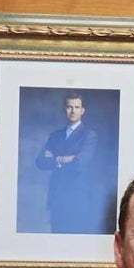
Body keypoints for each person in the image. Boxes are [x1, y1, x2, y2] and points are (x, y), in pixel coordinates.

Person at [36, 91, 105, 233]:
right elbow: (40, 162)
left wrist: (55, 160)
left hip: (78, 199)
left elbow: (79, 163)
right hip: (57, 198)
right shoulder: (55, 136)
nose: (73, 111)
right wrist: (63, 159)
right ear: (64, 109)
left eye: (77, 107)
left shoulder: (89, 135)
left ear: (82, 110)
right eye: (69, 107)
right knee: (57, 243)